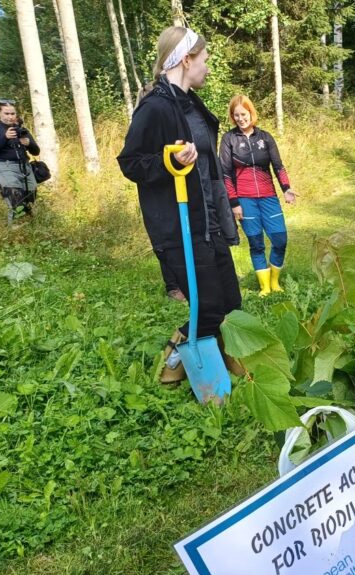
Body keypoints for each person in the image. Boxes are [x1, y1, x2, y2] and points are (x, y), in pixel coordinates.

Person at [117, 26, 242, 383]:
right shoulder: (155, 107)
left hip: (209, 219)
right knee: (208, 306)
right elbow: (131, 161)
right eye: (204, 59)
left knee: (231, 302)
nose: (207, 66)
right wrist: (168, 162)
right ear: (186, 60)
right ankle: (177, 357)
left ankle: (229, 355)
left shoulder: (192, 104)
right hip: (181, 225)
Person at [219, 94, 296, 297]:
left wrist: (286, 188)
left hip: (269, 197)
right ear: (232, 117)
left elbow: (278, 166)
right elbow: (225, 173)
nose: (241, 119)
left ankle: (275, 282)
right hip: (244, 200)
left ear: (251, 113)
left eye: (243, 114)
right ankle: (265, 288)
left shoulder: (265, 137)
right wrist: (234, 203)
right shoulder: (228, 139)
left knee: (280, 240)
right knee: (256, 244)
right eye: (236, 116)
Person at [0, 99, 40, 224]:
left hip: (25, 168)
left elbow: (36, 152)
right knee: (16, 201)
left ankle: (29, 230)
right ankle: (15, 233)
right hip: (4, 167)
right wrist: (5, 137)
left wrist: (29, 143)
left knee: (30, 200)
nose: (10, 117)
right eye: (6, 113)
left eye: (12, 114)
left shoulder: (21, 129)